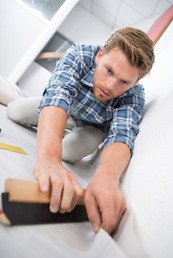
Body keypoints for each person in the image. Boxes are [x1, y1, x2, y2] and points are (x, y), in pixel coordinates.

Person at [1, 27, 155, 234]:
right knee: (14, 111)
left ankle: (62, 132)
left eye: (124, 82)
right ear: (101, 54)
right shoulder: (80, 54)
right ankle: (53, 123)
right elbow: (58, 95)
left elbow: (122, 136)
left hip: (93, 128)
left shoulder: (135, 96)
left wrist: (107, 178)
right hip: (67, 109)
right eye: (109, 70)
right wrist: (48, 159)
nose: (110, 86)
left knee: (69, 151)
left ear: (135, 82)